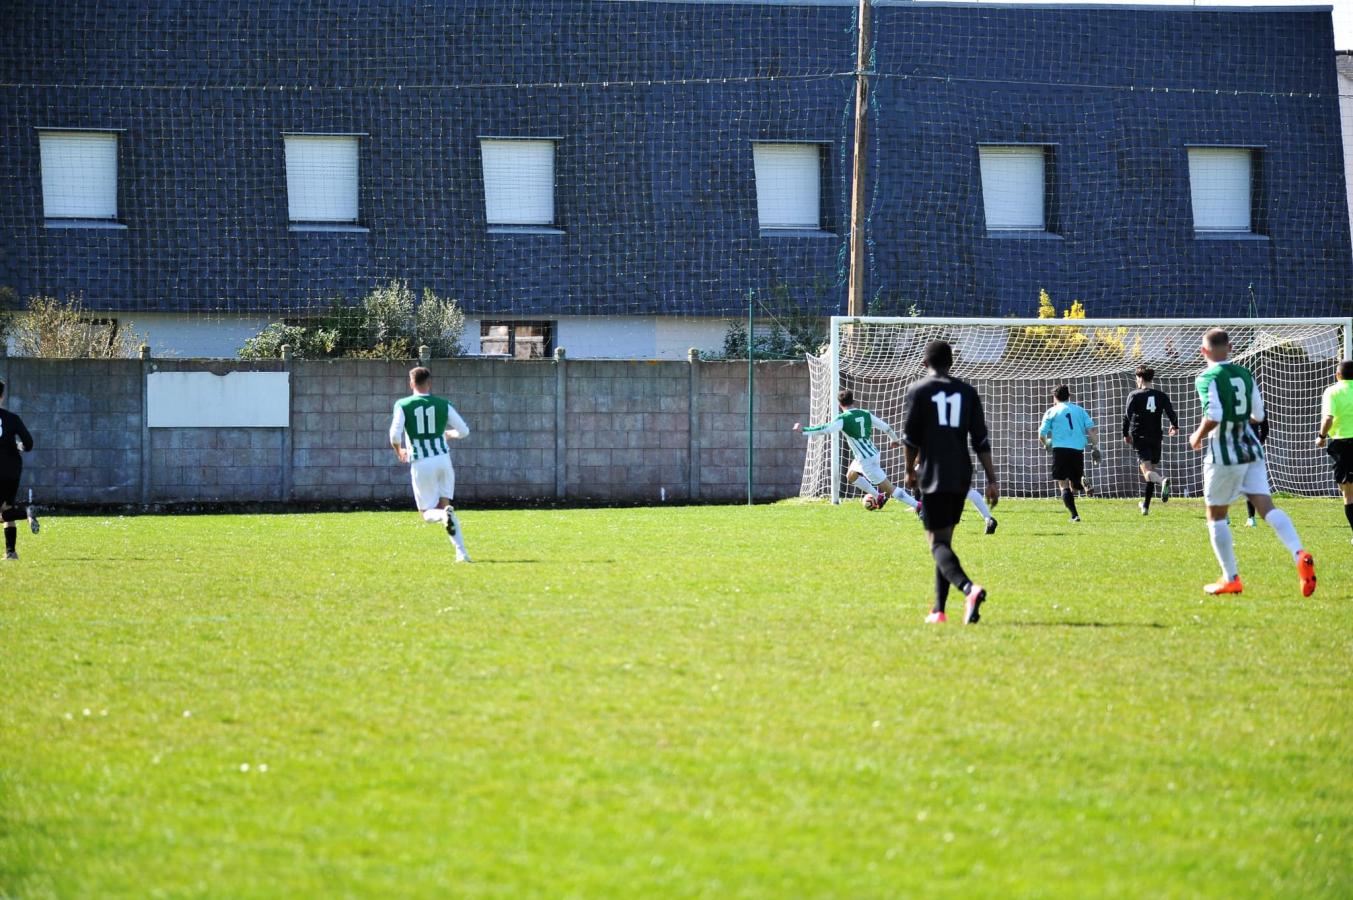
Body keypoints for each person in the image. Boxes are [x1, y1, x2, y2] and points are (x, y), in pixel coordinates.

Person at [1189, 328, 1315, 596]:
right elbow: (1258, 415)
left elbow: (1213, 414)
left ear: (1204, 351)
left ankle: (1230, 577)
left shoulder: (1206, 377)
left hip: (1224, 453)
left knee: (1216, 516)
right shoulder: (1245, 374)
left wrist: (1197, 435)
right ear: (1230, 347)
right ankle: (1298, 552)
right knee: (1266, 507)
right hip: (1252, 448)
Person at [902, 340, 1000, 624]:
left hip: (933, 473)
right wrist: (992, 479)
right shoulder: (967, 392)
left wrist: (910, 470)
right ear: (952, 363)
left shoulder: (918, 390)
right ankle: (939, 610)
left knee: (937, 544)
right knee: (944, 540)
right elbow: (980, 440)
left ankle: (970, 589)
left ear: (924, 364)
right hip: (960, 474)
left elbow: (910, 438)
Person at [389, 366, 472, 562]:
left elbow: (394, 434)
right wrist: (449, 434)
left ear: (411, 384)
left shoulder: (403, 404)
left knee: (427, 514)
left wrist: (399, 450)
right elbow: (464, 431)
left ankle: (446, 519)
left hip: (421, 462)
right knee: (445, 508)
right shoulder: (443, 404)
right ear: (430, 383)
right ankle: (462, 553)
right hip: (443, 460)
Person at [794, 390, 922, 515]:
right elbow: (886, 427)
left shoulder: (843, 418)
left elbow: (826, 429)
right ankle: (879, 497)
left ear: (840, 404)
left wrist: (804, 430)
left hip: (866, 461)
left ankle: (918, 506)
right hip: (871, 454)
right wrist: (893, 440)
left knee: (889, 488)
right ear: (853, 402)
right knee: (851, 475)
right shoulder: (865, 414)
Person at [1121, 366, 1179, 515]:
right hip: (1156, 438)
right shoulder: (1161, 396)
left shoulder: (1134, 395)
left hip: (1140, 437)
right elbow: (1171, 412)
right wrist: (1175, 426)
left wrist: (1125, 433)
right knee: (1151, 472)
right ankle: (1145, 507)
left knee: (1148, 473)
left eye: (1136, 378)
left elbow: (1127, 416)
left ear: (1140, 378)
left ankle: (1162, 481)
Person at [1038, 385, 1099, 522]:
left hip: (1060, 450)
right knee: (1073, 482)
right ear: (1069, 396)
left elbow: (1041, 434)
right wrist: (1095, 447)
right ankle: (1081, 480)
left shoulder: (1051, 411)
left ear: (1055, 397)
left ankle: (1074, 515)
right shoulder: (1080, 410)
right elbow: (1092, 430)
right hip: (1077, 450)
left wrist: (1046, 443)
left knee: (1063, 484)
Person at [0, 379, 39, 561]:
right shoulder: (12, 418)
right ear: (2, 397)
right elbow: (29, 444)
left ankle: (26, 513)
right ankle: (11, 553)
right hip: (12, 471)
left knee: (5, 512)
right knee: (7, 510)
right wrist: (18, 446)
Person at [1316, 359, 1353, 544]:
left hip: (1343, 443)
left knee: (1347, 491)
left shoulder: (1332, 391)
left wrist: (1321, 436)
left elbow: (1328, 418)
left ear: (1337, 375)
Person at [1243, 416, 1270, 527]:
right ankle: (1251, 518)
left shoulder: (1230, 400)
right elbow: (1265, 427)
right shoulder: (1257, 404)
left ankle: (1223, 517)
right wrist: (1261, 439)